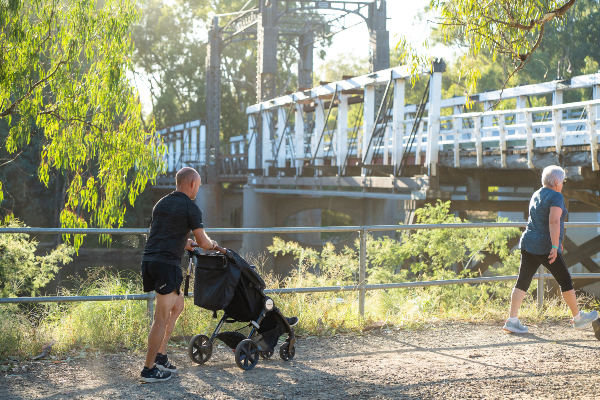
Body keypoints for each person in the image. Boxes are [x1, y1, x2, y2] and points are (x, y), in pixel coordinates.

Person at [140, 167, 218, 383]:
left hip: (150, 262)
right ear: (192, 183)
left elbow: (161, 234)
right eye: (199, 185)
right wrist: (212, 244)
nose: (198, 190)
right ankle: (149, 369)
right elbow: (204, 242)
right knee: (160, 318)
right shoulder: (190, 207)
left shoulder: (161, 203)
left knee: (178, 306)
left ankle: (161, 355)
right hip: (166, 265)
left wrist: (184, 243)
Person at [503, 165, 598, 334]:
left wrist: (557, 241)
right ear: (555, 181)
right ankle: (578, 319)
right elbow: (554, 222)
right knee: (565, 280)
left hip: (528, 242)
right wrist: (554, 246)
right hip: (544, 246)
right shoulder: (556, 196)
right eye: (562, 181)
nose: (562, 184)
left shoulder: (537, 193)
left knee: (522, 280)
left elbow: (539, 219)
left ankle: (512, 320)